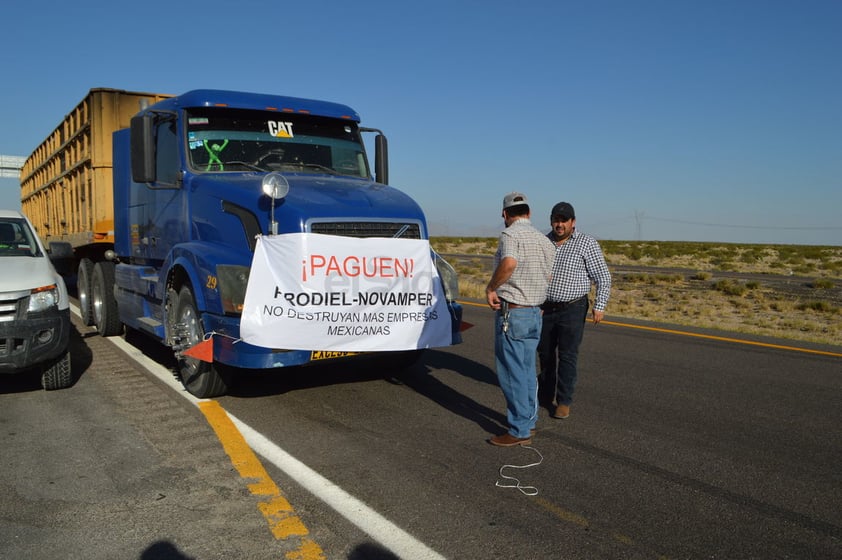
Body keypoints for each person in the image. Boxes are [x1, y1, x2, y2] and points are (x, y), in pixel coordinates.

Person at [486, 192, 556, 447]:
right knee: (526, 371)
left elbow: (509, 263)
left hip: (513, 312)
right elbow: (548, 278)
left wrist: (491, 287)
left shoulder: (510, 235)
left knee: (512, 372)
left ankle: (518, 429)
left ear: (505, 214)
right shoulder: (544, 240)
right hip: (534, 312)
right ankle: (529, 420)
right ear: (529, 212)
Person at [538, 201, 612, 420]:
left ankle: (564, 401)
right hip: (545, 309)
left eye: (563, 220)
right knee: (545, 354)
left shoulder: (586, 243)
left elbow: (603, 277)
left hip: (573, 307)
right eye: (555, 220)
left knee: (568, 355)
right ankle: (544, 395)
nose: (559, 225)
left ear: (573, 222)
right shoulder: (544, 242)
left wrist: (600, 306)